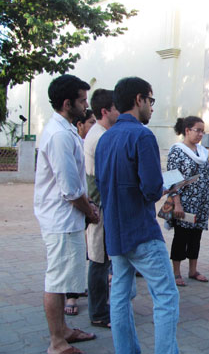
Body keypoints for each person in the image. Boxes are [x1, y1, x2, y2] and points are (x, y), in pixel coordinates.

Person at [95, 77, 179, 354]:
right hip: (141, 231)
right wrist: (168, 185)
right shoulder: (143, 136)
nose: (152, 108)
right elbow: (152, 189)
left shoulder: (105, 138)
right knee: (166, 296)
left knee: (119, 296)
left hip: (116, 231)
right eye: (151, 101)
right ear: (139, 99)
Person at [34, 74, 99, 354]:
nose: (86, 105)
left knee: (62, 280)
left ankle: (63, 330)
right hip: (60, 219)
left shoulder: (67, 128)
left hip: (67, 218)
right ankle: (56, 343)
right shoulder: (60, 134)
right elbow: (70, 190)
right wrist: (91, 211)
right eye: (82, 100)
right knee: (56, 280)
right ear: (66, 103)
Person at [84, 89, 120, 329]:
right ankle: (98, 312)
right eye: (117, 108)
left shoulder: (102, 133)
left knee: (102, 259)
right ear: (106, 111)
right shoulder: (99, 137)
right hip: (99, 206)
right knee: (98, 261)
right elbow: (102, 178)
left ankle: (102, 308)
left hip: (101, 205)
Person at [167, 116, 209, 287]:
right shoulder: (177, 150)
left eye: (203, 131)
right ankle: (176, 272)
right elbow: (172, 178)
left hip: (201, 203)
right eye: (198, 130)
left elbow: (208, 177)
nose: (201, 134)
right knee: (181, 236)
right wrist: (177, 203)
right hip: (185, 203)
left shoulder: (202, 152)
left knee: (196, 236)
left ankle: (193, 270)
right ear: (187, 130)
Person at [63, 108, 96, 317]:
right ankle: (71, 295)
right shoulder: (71, 142)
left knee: (85, 249)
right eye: (91, 122)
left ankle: (78, 287)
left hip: (88, 201)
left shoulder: (89, 144)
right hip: (75, 205)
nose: (94, 126)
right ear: (80, 125)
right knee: (72, 253)